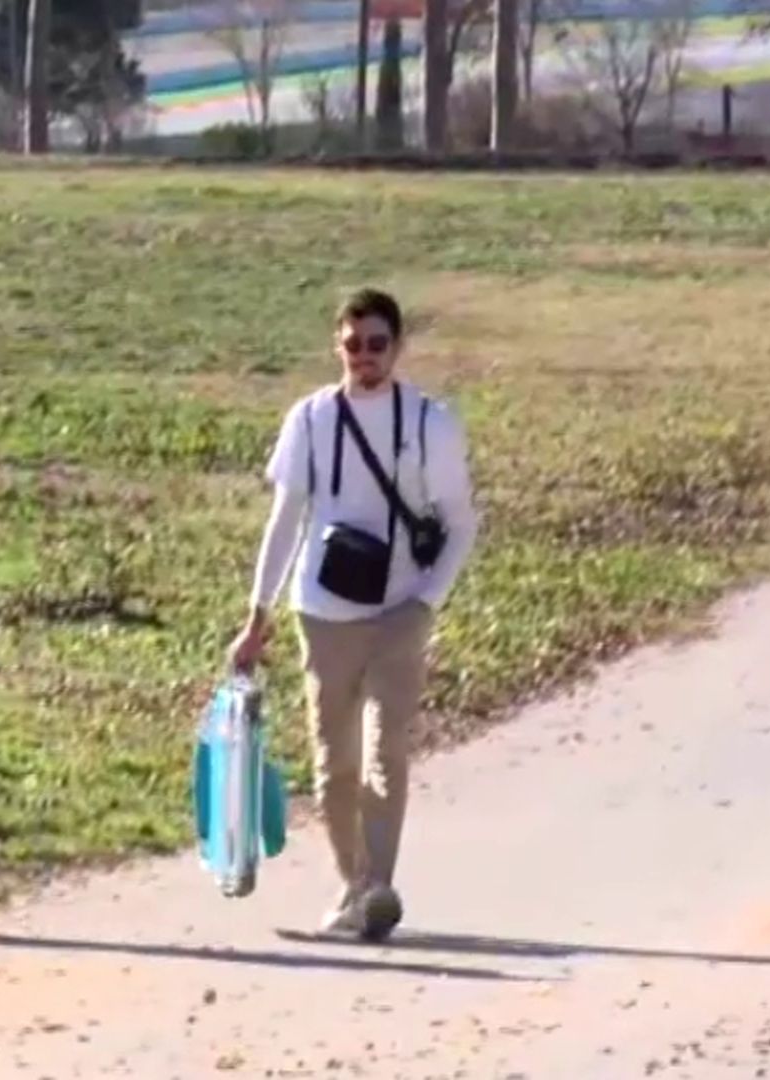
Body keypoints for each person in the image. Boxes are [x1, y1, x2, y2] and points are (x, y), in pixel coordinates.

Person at [228, 289, 479, 941]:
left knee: (385, 752)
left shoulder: (431, 423)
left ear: (398, 347)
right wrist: (257, 617)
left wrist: (427, 601)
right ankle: (357, 884)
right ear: (336, 346)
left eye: (378, 345)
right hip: (323, 611)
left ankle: (378, 886)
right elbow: (285, 522)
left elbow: (460, 523)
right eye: (353, 345)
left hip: (400, 609)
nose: (365, 357)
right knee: (332, 762)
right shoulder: (310, 421)